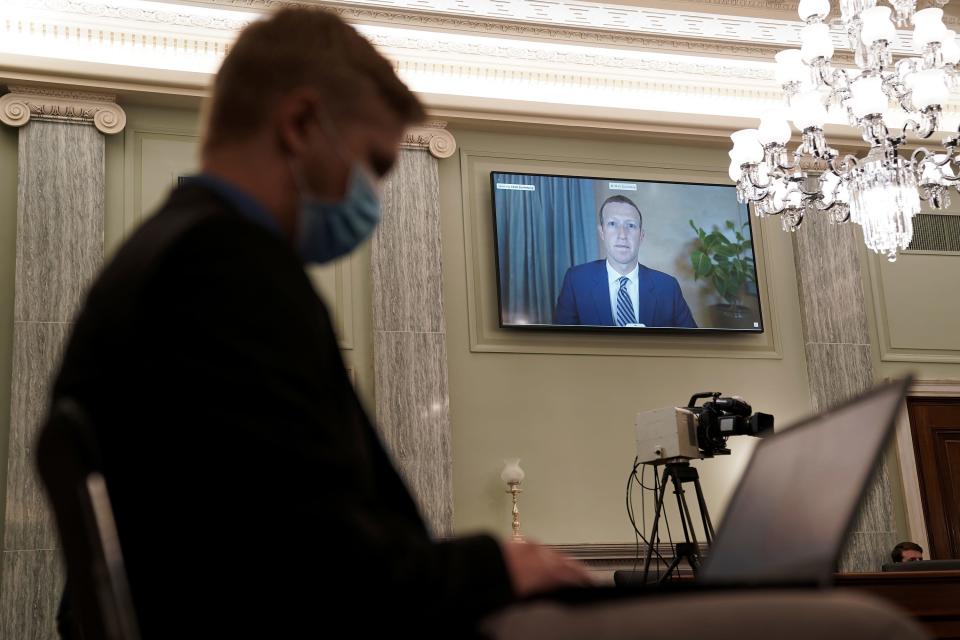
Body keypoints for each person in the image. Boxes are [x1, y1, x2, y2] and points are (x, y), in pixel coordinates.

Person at [43, 8, 591, 639]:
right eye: (374, 166)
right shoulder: (225, 272)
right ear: (300, 124)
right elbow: (321, 575)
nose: (375, 200)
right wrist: (496, 566)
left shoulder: (163, 256)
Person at [553, 195, 697, 328]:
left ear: (641, 236)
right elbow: (561, 343)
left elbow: (692, 344)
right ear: (601, 232)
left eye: (631, 225)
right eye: (612, 224)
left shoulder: (667, 287)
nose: (622, 235)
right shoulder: (576, 280)